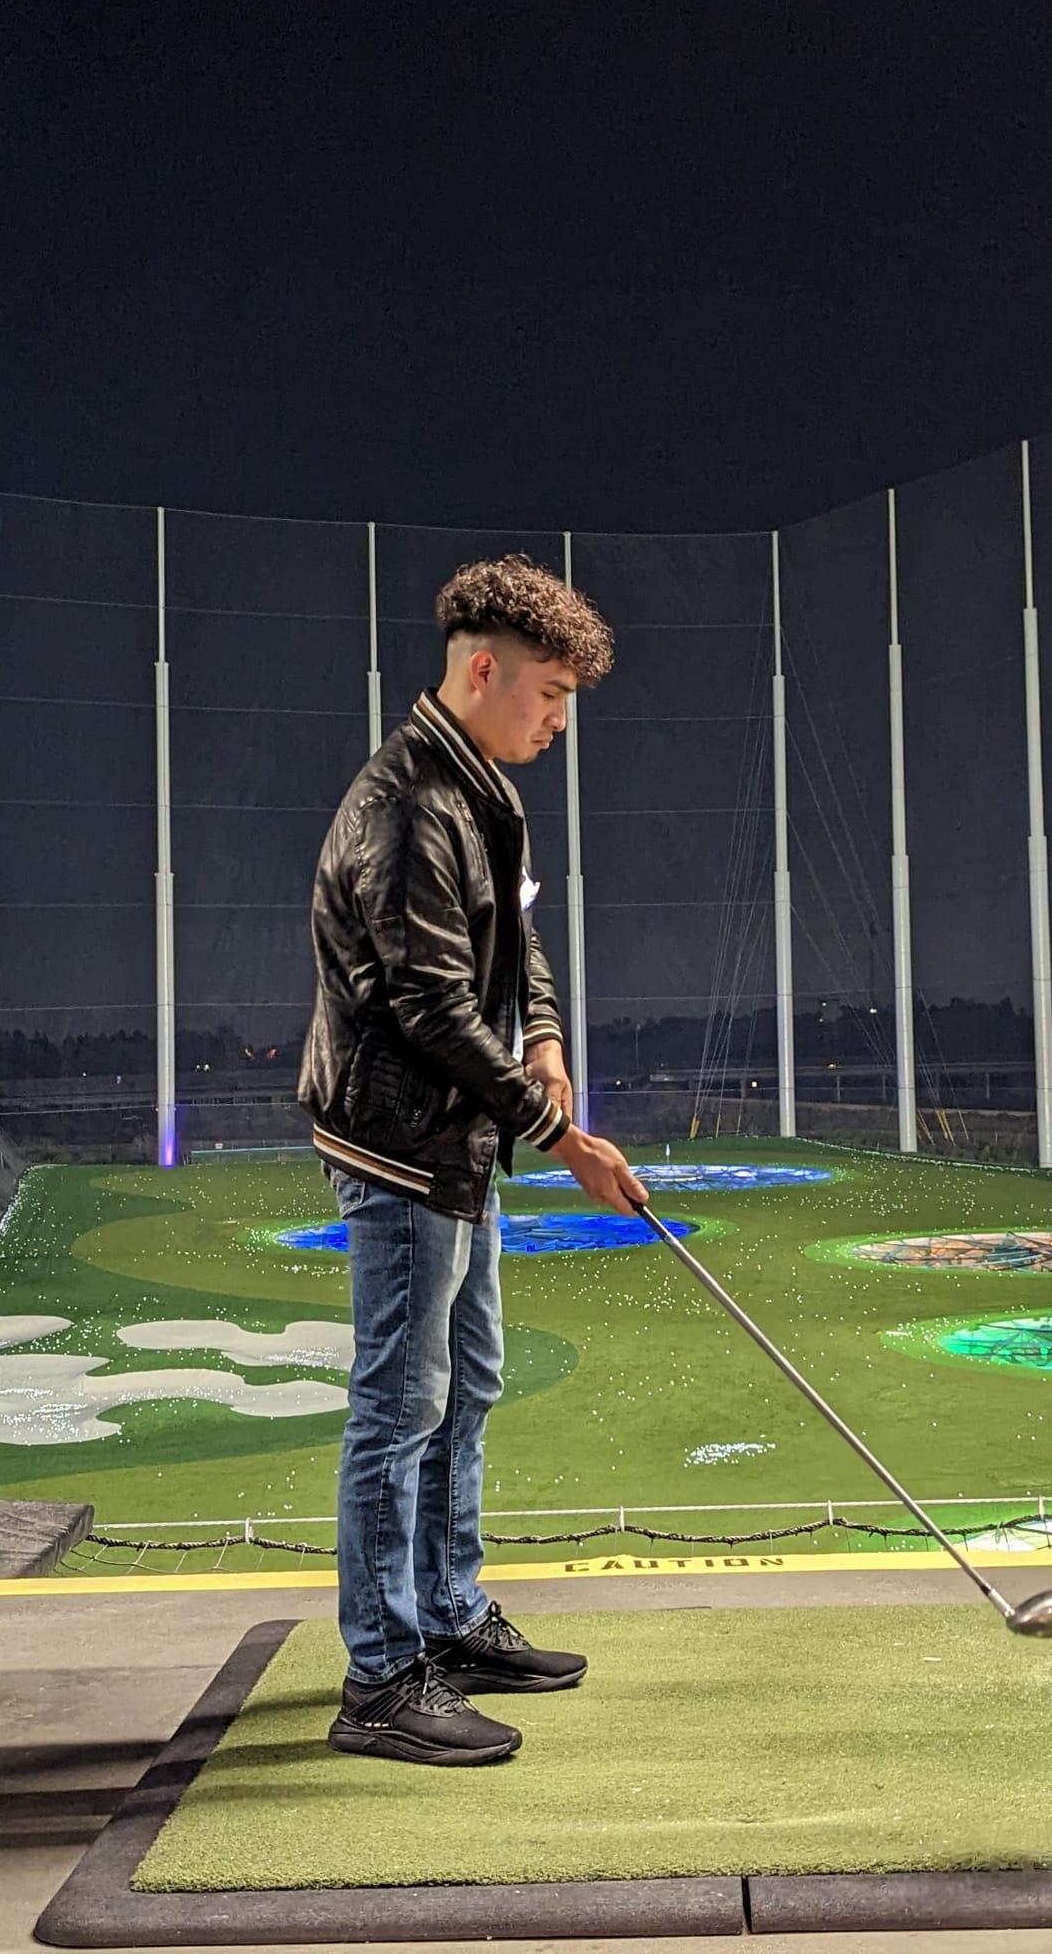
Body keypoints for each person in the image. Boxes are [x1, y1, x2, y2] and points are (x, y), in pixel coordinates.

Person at [298, 554, 645, 1766]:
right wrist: (566, 1139)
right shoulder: (405, 807)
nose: (559, 721)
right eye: (548, 695)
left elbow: (516, 944)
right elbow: (434, 1008)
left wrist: (543, 1034)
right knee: (400, 1406)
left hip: (460, 1139)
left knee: (469, 1381)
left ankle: (445, 1616)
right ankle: (382, 1677)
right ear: (483, 670)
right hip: (399, 1144)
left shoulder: (480, 789)